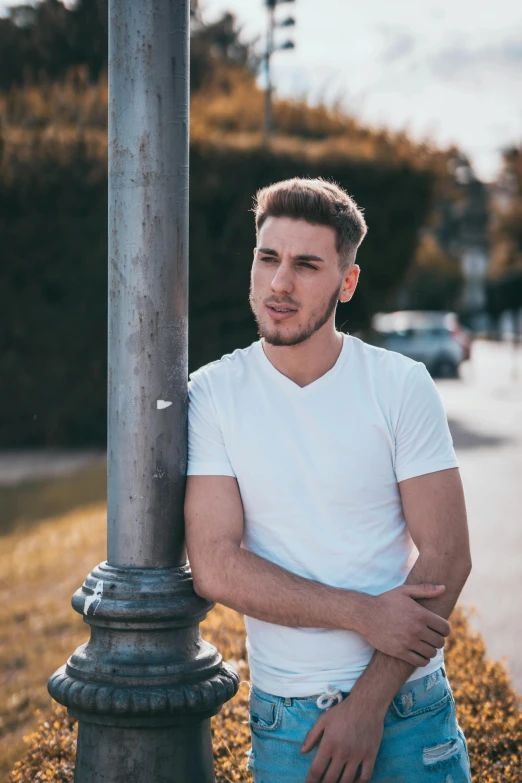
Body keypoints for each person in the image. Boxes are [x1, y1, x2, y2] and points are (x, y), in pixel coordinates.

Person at [184, 177, 472, 783]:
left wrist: (367, 706)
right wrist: (363, 614)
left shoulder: (399, 384)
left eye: (306, 265)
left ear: (347, 281)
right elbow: (215, 565)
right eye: (268, 258)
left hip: (409, 709)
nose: (279, 283)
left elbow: (448, 555)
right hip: (289, 722)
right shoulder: (212, 394)